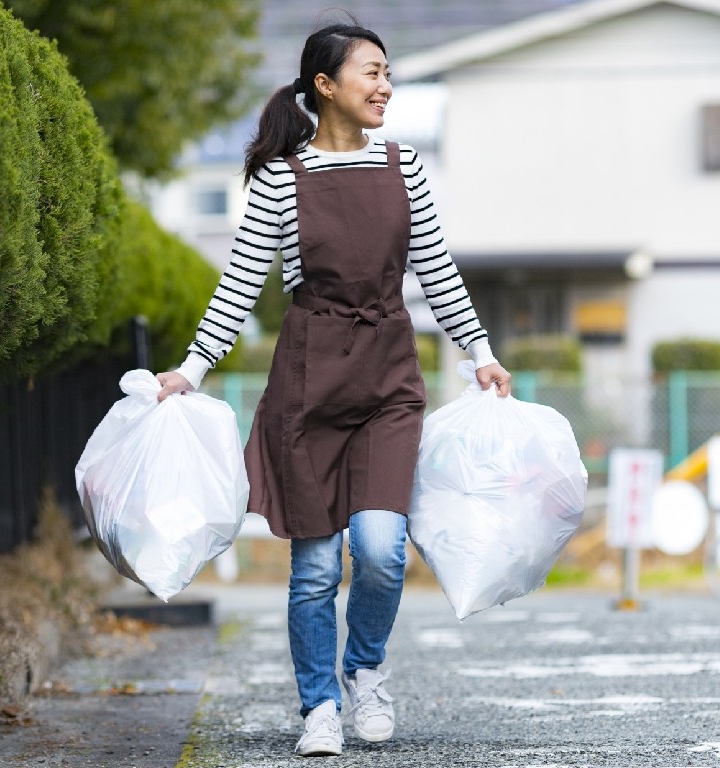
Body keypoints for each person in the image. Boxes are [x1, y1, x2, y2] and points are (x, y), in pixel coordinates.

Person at [155, 20, 511, 758]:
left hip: (387, 372)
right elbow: (240, 283)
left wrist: (478, 351)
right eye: (371, 72)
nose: (384, 87)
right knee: (316, 566)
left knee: (381, 550)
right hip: (309, 380)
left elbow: (437, 270)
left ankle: (365, 671)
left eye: (388, 74)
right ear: (325, 86)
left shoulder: (404, 164)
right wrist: (191, 369)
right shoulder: (281, 179)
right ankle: (318, 705)